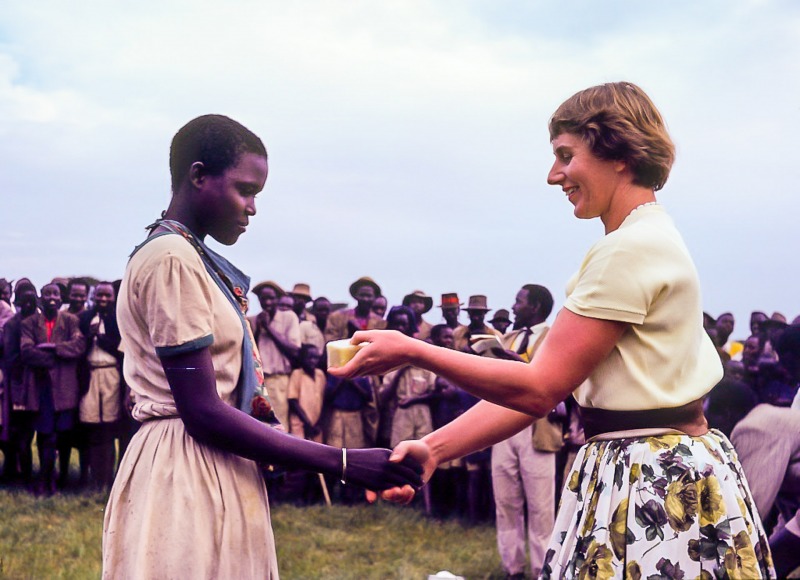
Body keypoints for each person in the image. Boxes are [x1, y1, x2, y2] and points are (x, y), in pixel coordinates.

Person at [332, 82, 774, 578]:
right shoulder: (641, 239)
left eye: (567, 155)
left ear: (619, 152)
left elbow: (539, 389)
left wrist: (414, 350)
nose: (553, 175)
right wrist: (435, 448)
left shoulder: (628, 249)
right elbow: (539, 384)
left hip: (648, 476)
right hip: (653, 462)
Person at [102, 114, 421, 578]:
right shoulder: (170, 259)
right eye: (245, 190)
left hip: (215, 460)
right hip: (185, 467)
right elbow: (204, 412)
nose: (252, 208)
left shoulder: (190, 257)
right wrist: (344, 461)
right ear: (198, 176)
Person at [20, 282, 86, 494]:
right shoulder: (29, 323)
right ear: (41, 296)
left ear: (61, 298)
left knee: (63, 435)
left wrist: (52, 347)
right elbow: (26, 351)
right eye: (47, 293)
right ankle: (45, 479)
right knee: (45, 435)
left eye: (55, 294)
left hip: (65, 388)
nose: (51, 297)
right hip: (41, 388)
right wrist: (54, 358)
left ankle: (61, 478)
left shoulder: (70, 321)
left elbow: (78, 347)